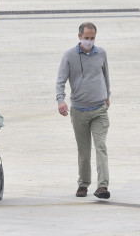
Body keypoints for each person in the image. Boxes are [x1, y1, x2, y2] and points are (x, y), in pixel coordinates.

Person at [56, 22, 111, 200]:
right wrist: (60, 100)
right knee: (84, 150)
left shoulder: (101, 53)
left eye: (92, 38)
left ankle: (102, 186)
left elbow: (106, 75)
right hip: (79, 110)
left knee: (101, 147)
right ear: (79, 36)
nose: (89, 41)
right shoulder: (69, 56)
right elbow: (60, 80)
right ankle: (83, 183)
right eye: (86, 38)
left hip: (99, 109)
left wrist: (107, 95)